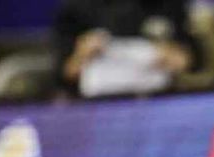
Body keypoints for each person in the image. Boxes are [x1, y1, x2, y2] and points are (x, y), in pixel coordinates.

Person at [54, 0, 203, 96]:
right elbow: (63, 74)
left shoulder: (166, 4)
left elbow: (193, 61)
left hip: (159, 100)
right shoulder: (77, 10)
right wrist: (82, 54)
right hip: (98, 106)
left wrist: (173, 55)